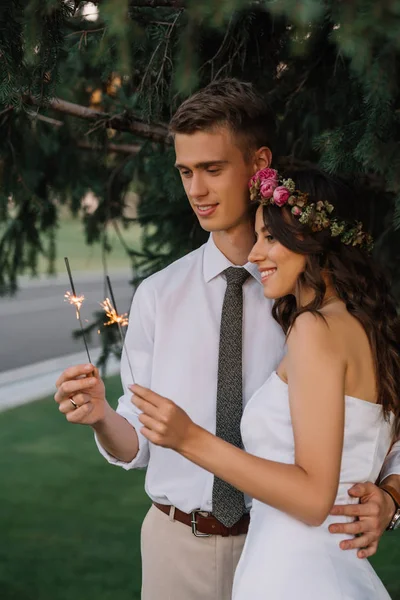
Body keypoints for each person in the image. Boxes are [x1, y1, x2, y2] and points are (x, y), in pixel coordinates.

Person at [54, 81, 400, 600]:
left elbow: (379, 414)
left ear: (259, 165)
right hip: (177, 548)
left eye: (212, 169)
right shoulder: (157, 296)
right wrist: (103, 417)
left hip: (287, 548)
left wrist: (392, 497)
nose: (196, 190)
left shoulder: (313, 309)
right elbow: (141, 439)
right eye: (185, 172)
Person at [132, 166, 400, 598]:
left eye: (270, 238)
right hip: (330, 569)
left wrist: (188, 439)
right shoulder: (368, 329)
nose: (255, 254)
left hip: (295, 573)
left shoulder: (315, 330)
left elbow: (314, 498)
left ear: (315, 242)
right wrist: (391, 497)